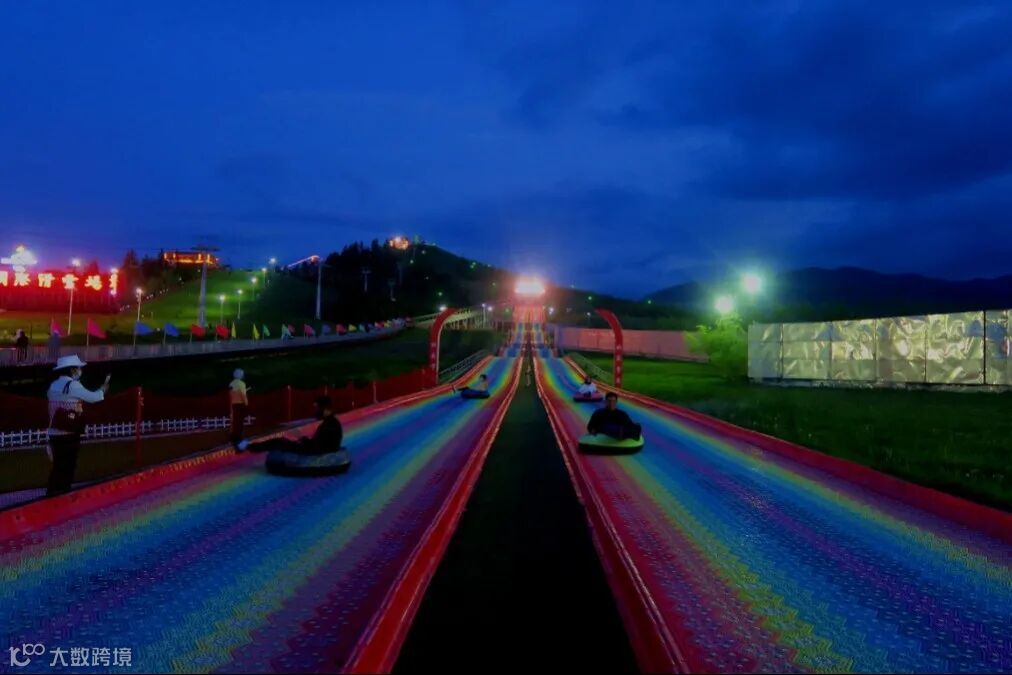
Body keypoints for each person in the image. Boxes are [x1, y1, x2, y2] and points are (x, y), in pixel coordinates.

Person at [46, 355, 110, 496]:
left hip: (54, 432)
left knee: (58, 467)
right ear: (72, 370)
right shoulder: (72, 385)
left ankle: (51, 496)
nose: (80, 370)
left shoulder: (53, 385)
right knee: (68, 467)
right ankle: (61, 497)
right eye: (78, 368)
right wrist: (102, 390)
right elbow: (94, 398)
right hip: (69, 432)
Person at [239, 396, 342, 455]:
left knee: (279, 442)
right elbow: (318, 443)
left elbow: (318, 446)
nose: (316, 412)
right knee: (281, 441)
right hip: (313, 449)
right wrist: (302, 439)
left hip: (313, 452)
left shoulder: (330, 426)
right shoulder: (329, 423)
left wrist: (301, 438)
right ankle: (249, 446)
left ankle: (248, 446)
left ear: (327, 409)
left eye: (318, 409)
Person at [229, 368, 249, 450]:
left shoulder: (231, 384)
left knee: (235, 420)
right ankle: (239, 437)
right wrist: (246, 402)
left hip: (234, 404)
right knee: (240, 421)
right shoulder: (242, 384)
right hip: (240, 404)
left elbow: (231, 394)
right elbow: (243, 395)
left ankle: (233, 436)